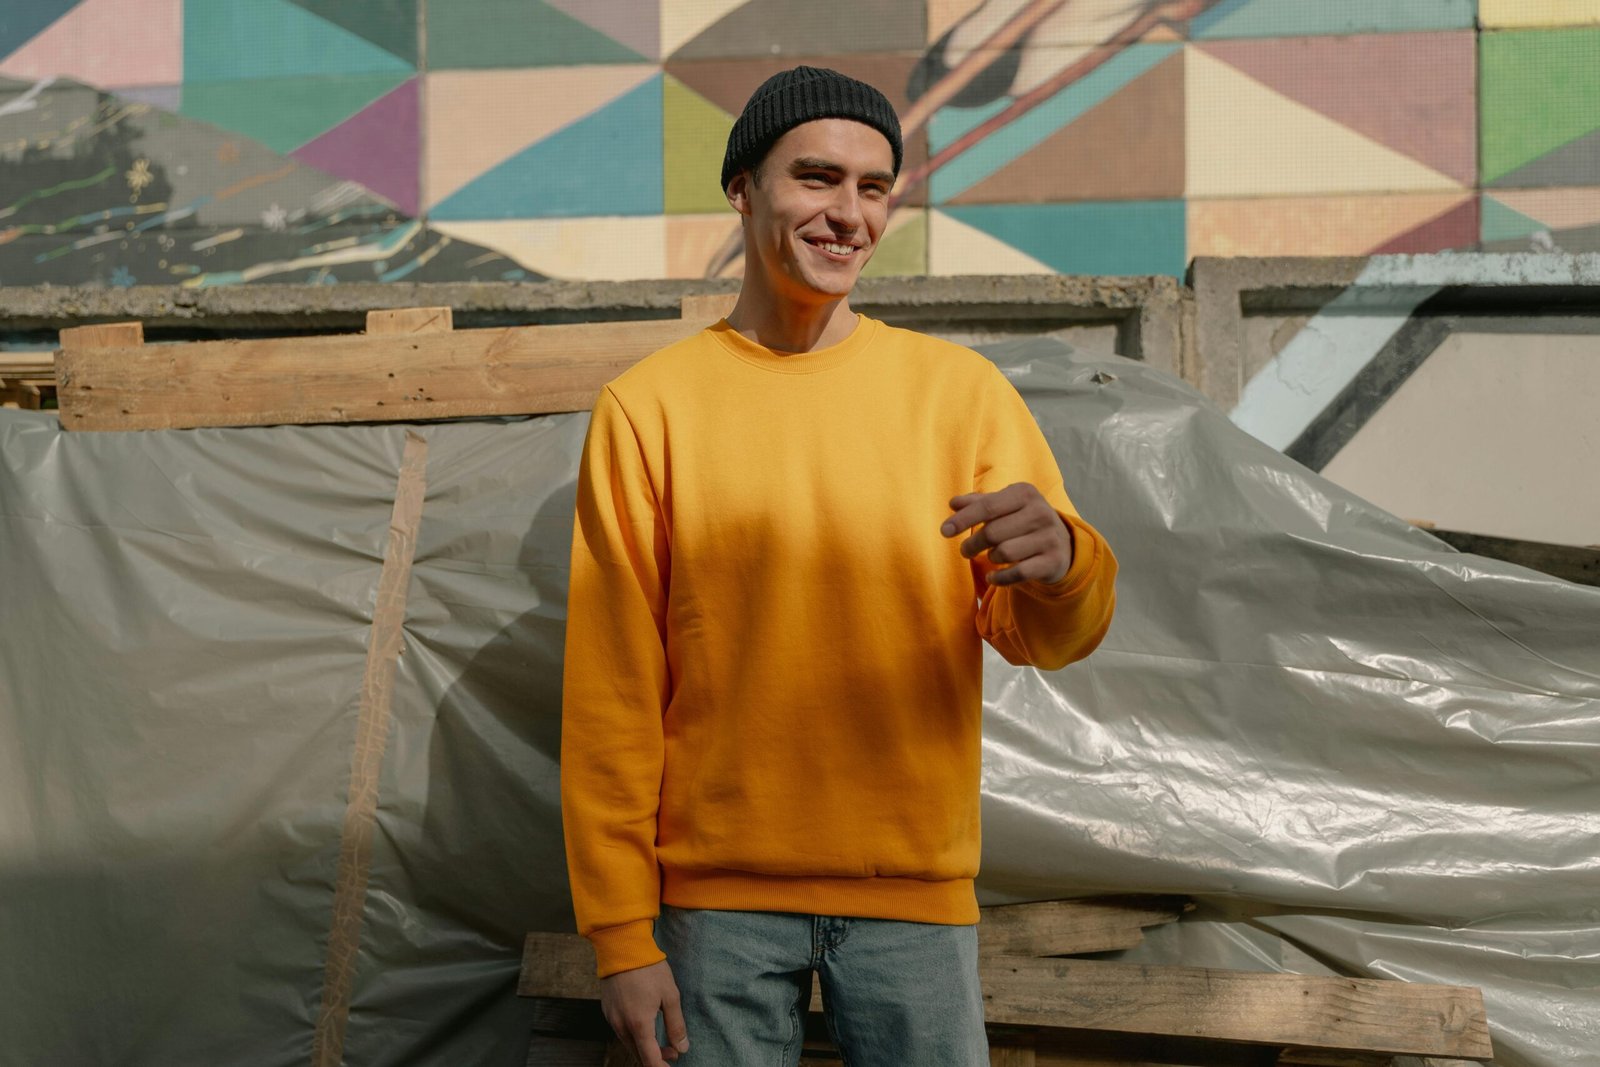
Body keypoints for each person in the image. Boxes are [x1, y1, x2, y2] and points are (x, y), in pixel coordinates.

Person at [561, 66, 1118, 1066]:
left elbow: (1047, 637)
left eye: (873, 188)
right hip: (714, 907)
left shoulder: (958, 394)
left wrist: (1066, 562)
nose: (848, 214)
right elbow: (612, 689)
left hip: (915, 895)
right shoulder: (650, 409)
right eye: (817, 178)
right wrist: (617, 933)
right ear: (743, 189)